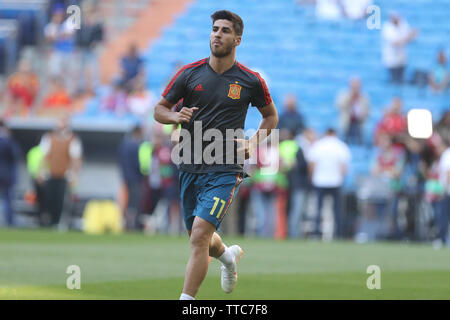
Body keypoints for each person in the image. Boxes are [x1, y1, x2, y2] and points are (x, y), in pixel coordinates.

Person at [153, 10, 278, 300]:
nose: (217, 34)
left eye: (224, 30)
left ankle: (187, 301)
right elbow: (159, 109)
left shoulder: (250, 80)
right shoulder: (189, 73)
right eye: (214, 29)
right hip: (189, 164)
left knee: (198, 236)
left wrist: (253, 143)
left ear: (238, 39)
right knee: (201, 238)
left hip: (225, 167)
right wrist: (174, 116)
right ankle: (227, 257)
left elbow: (270, 116)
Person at [39, 115, 82, 227]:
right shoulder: (49, 137)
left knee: (61, 201)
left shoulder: (72, 139)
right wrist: (41, 171)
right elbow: (44, 156)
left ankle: (59, 222)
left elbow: (75, 159)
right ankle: (49, 221)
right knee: (49, 199)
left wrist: (74, 175)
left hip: (64, 175)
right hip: (50, 174)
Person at [308, 128, 351, 239]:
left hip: (320, 181)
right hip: (335, 181)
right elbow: (344, 167)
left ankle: (316, 233)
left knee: (318, 209)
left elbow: (312, 164)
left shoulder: (318, 145)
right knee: (337, 210)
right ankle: (339, 234)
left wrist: (312, 178)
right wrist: (341, 178)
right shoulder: (341, 146)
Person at [118, 125, 144, 231]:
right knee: (135, 202)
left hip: (125, 177)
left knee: (126, 202)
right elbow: (138, 164)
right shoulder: (137, 146)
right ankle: (133, 224)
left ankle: (126, 223)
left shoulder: (123, 145)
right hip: (135, 178)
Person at [381, 12, 418, 84]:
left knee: (401, 82)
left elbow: (411, 38)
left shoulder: (403, 24)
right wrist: (408, 37)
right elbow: (395, 43)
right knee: (394, 82)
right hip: (391, 61)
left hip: (402, 59)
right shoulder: (387, 27)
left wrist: (408, 37)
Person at [335, 77, 370, 144]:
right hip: (346, 121)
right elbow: (339, 106)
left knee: (361, 140)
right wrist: (350, 98)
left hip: (359, 122)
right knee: (345, 140)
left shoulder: (364, 96)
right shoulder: (344, 95)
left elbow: (368, 109)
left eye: (357, 86)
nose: (355, 88)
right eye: (354, 86)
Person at [0, 120, 20, 226]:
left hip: (5, 174)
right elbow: (16, 154)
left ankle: (9, 221)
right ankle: (10, 222)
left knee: (8, 199)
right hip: (6, 174)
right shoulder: (7, 141)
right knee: (8, 199)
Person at [435, 141, 450, 248]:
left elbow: (448, 172)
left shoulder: (447, 154)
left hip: (448, 190)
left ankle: (442, 238)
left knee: (443, 215)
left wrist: (445, 188)